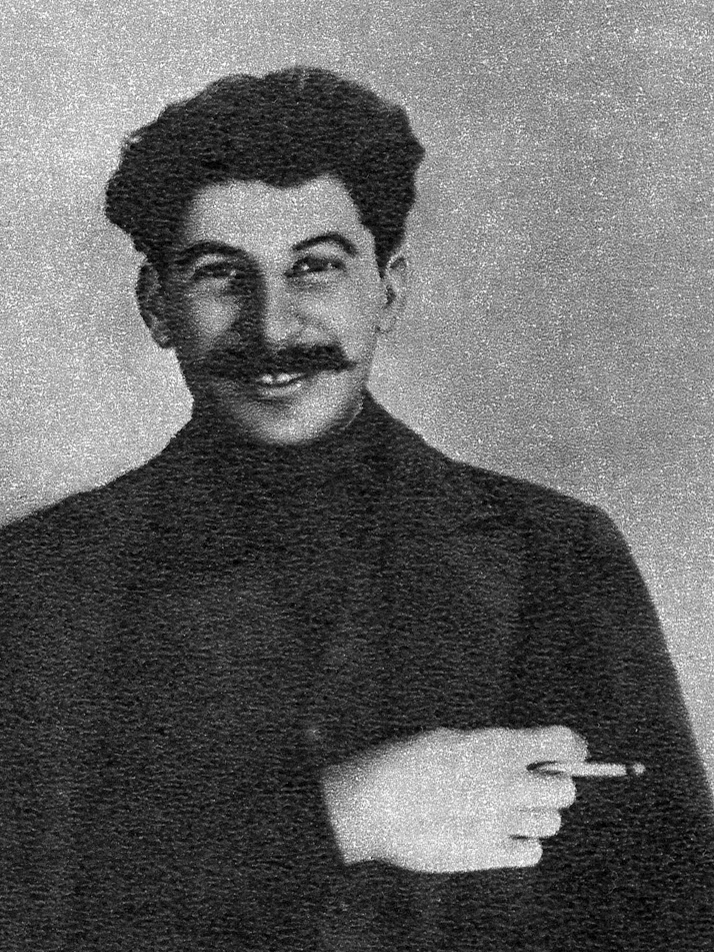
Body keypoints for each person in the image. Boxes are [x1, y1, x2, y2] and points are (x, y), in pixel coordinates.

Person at [0, 67, 711, 952]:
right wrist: (340, 818)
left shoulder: (556, 555)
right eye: (220, 275)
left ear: (389, 291)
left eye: (316, 268)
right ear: (157, 307)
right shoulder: (36, 581)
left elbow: (674, 913)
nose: (273, 328)